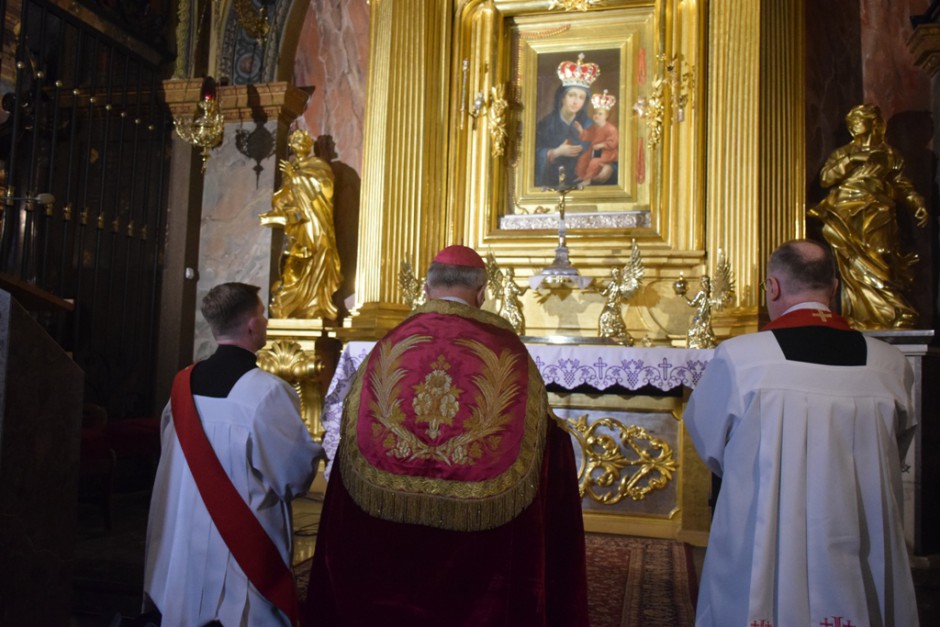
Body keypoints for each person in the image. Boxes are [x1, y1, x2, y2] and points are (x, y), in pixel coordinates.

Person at [303, 245, 589, 627]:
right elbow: (544, 440)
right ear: (483, 291)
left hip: (388, 545)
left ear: (425, 288)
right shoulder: (508, 352)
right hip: (481, 556)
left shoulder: (385, 348)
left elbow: (354, 436)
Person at [684, 240, 919, 627]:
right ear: (835, 288)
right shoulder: (890, 365)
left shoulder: (742, 358)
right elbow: (896, 447)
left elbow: (711, 446)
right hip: (860, 528)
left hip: (769, 530)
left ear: (773, 287)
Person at [144, 282, 324, 626]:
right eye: (262, 314)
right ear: (252, 325)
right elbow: (294, 476)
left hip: (181, 535)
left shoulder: (182, 383)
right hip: (240, 549)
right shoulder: (268, 392)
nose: (267, 321)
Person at [808, 103, 928, 329]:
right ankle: (860, 314)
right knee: (852, 265)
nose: (853, 125)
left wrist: (916, 201)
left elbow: (902, 185)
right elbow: (826, 179)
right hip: (845, 212)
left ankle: (888, 311)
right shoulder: (844, 153)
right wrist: (851, 161)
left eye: (858, 120)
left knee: (880, 256)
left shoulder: (890, 154)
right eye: (851, 122)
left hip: (878, 210)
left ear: (873, 123)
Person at [261, 129, 343, 320]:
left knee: (316, 258)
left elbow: (326, 190)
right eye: (295, 139)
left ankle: (316, 303)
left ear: (308, 144)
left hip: (316, 224)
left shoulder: (318, 165)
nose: (299, 142)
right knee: (291, 263)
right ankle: (291, 302)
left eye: (302, 139)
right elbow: (284, 197)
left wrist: (296, 177)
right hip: (297, 225)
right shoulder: (291, 168)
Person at [535, 53, 597, 188]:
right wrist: (555, 153)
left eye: (581, 97)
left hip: (580, 186)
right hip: (551, 186)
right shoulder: (545, 125)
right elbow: (531, 156)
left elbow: (600, 155)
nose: (576, 102)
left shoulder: (589, 125)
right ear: (562, 97)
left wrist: (603, 170)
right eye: (572, 95)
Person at [575, 89, 618, 185]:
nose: (596, 115)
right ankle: (582, 176)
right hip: (595, 150)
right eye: (595, 113)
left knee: (594, 162)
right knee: (583, 158)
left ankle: (588, 179)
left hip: (607, 152)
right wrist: (581, 130)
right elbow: (587, 135)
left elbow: (613, 143)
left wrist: (602, 144)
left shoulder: (611, 129)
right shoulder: (594, 127)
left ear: (606, 116)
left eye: (600, 114)